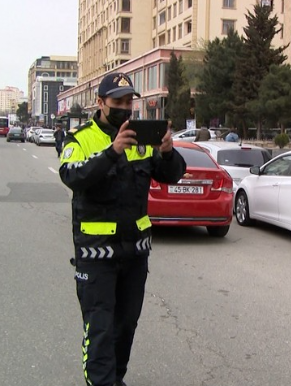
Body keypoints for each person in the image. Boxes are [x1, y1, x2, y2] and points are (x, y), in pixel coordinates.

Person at [59, 72, 186, 386]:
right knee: (100, 329)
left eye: (129, 101)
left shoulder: (142, 141)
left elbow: (172, 175)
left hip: (134, 256)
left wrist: (167, 152)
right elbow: (73, 175)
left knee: (125, 328)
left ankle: (115, 379)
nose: (125, 107)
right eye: (118, 101)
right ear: (100, 103)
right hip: (96, 255)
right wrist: (113, 151)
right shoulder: (81, 138)